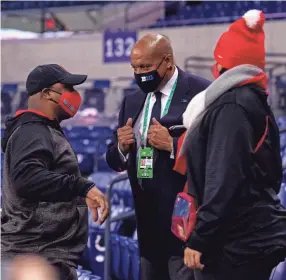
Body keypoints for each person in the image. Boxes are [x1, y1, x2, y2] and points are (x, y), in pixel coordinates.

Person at [178, 10, 286, 280]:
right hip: (249, 237)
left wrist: (201, 237)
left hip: (238, 244)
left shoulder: (232, 106)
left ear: (224, 64)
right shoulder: (250, 99)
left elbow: (224, 177)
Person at [106, 33, 210, 280]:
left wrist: (173, 145)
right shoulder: (132, 101)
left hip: (186, 226)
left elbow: (215, 154)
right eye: (134, 67)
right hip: (148, 226)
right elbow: (113, 159)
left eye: (145, 66)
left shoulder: (201, 92)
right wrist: (121, 147)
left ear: (168, 61)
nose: (139, 73)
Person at [1, 64, 109, 280]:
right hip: (35, 259)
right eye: (68, 87)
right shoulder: (33, 131)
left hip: (43, 256)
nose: (75, 95)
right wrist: (82, 186)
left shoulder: (39, 129)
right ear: (47, 93)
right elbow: (27, 179)